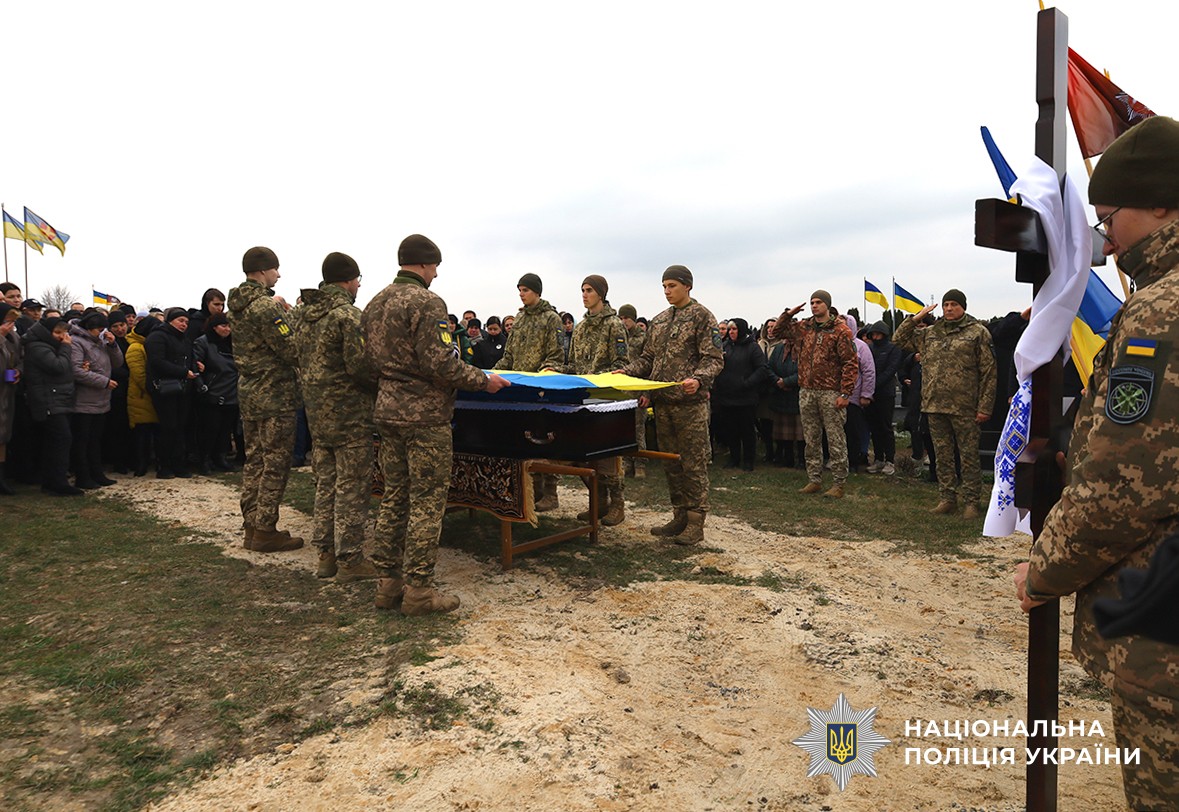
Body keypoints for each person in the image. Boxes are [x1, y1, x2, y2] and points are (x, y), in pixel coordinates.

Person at [1012, 116, 1179, 811]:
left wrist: (1043, 571)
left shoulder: (1160, 311)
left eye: (1109, 217)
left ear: (1163, 203)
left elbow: (1125, 483)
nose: (1103, 238)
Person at [361, 234, 509, 616]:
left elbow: (366, 364)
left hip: (388, 411)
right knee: (427, 501)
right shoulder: (426, 302)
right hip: (424, 417)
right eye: (435, 266)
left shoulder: (375, 303)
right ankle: (420, 591)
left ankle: (388, 584)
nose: (437, 273)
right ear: (425, 265)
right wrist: (483, 380)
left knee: (394, 496)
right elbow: (440, 362)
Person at [293, 252, 380, 582]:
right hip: (351, 415)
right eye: (358, 279)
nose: (358, 285)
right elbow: (360, 367)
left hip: (317, 414)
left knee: (325, 485)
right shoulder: (347, 315)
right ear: (347, 280)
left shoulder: (303, 315)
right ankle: (351, 559)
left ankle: (326, 556)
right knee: (352, 487)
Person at [620, 265, 723, 545]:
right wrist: (628, 371)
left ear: (687, 286)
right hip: (663, 404)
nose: (667, 291)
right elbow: (649, 360)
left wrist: (699, 380)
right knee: (671, 464)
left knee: (693, 463)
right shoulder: (659, 320)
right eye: (664, 286)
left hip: (690, 405)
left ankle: (695, 521)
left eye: (672, 285)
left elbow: (714, 358)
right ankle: (679, 515)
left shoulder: (702, 316)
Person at [894, 289, 996, 517]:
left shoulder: (977, 332)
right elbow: (898, 339)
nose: (949, 309)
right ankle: (947, 498)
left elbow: (989, 372)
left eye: (954, 304)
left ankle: (971, 502)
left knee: (968, 456)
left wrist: (985, 407)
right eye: (945, 305)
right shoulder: (930, 333)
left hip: (965, 406)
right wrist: (917, 317)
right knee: (942, 456)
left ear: (963, 307)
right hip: (935, 405)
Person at [228, 246, 303, 553]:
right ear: (261, 271)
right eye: (275, 269)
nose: (279, 274)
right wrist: (293, 315)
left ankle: (251, 525)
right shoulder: (265, 307)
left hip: (250, 393)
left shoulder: (237, 306)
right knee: (275, 462)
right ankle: (265, 530)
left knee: (255, 460)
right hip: (275, 394)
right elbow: (291, 349)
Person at [770, 290, 858, 498]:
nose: (814, 306)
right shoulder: (805, 327)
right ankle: (814, 478)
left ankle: (838, 482)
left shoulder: (840, 330)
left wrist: (845, 393)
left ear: (827, 305)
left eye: (818, 302)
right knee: (811, 438)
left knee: (835, 438)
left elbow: (850, 363)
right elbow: (778, 332)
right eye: (812, 302)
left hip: (830, 392)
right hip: (807, 390)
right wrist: (788, 314)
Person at [562, 275, 630, 525]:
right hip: (583, 398)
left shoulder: (614, 324)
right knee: (584, 455)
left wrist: (595, 379)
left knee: (609, 456)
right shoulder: (579, 328)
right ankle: (598, 502)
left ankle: (617, 505)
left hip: (606, 399)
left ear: (600, 293)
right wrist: (556, 371)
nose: (584, 294)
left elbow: (621, 364)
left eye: (589, 290)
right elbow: (573, 365)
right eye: (582, 290)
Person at [494, 273, 565, 511]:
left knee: (545, 439)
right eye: (519, 290)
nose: (521, 294)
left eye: (525, 290)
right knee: (524, 440)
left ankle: (551, 492)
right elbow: (509, 356)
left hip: (541, 390)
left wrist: (543, 375)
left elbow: (555, 355)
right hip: (519, 390)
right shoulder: (520, 319)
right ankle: (532, 490)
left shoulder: (551, 318)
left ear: (536, 291)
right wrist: (490, 373)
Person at [22, 317, 81, 495]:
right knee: (60, 440)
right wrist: (66, 348)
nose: (62, 337)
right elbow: (58, 367)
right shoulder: (37, 347)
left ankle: (51, 481)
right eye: (57, 333)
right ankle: (57, 483)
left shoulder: (50, 346)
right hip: (48, 400)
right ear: (46, 333)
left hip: (58, 398)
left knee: (56, 442)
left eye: (64, 333)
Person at [69, 311, 123, 489]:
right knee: (83, 440)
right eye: (98, 329)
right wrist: (103, 382)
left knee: (95, 439)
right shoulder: (76, 342)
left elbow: (117, 363)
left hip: (101, 399)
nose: (101, 332)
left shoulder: (100, 342)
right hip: (84, 400)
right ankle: (83, 476)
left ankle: (96, 473)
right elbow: (76, 370)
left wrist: (113, 345)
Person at [145, 307, 197, 480]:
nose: (184, 325)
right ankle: (164, 465)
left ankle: (178, 464)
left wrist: (195, 368)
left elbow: (190, 358)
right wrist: (182, 372)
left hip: (183, 389)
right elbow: (157, 361)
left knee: (180, 426)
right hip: (164, 388)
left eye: (186, 322)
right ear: (170, 320)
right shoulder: (158, 336)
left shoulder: (185, 339)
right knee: (168, 427)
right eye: (180, 321)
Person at [713, 318, 770, 471]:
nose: (731, 332)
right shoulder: (725, 347)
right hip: (727, 396)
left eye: (734, 329)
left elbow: (762, 369)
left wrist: (747, 383)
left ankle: (749, 461)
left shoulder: (752, 347)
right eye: (730, 330)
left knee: (747, 430)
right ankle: (734, 458)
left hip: (746, 398)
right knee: (731, 430)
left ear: (742, 330)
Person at [191, 313, 239, 472]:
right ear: (214, 327)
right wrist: (202, 386)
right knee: (209, 429)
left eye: (229, 326)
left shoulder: (234, 343)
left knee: (225, 430)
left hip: (232, 391)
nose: (227, 329)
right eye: (223, 326)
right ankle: (204, 459)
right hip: (212, 391)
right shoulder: (203, 342)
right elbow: (196, 366)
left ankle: (220, 457)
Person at [865, 320, 902, 475]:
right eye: (873, 334)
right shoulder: (869, 348)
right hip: (870, 395)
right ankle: (878, 458)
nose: (876, 336)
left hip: (885, 393)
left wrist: (873, 385)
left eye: (878, 334)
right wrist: (868, 389)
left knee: (886, 427)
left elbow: (890, 370)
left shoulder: (893, 349)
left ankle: (890, 460)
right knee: (874, 428)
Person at [842, 314, 875, 475]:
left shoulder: (861, 346)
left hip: (853, 396)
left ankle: (853, 462)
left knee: (852, 431)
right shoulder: (835, 343)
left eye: (844, 324)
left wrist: (866, 394)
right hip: (835, 395)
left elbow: (869, 371)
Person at [618, 304, 648, 478]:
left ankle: (640, 463)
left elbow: (649, 367)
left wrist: (646, 393)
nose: (623, 322)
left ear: (634, 319)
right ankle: (626, 462)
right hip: (621, 392)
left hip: (637, 391)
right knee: (623, 429)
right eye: (621, 318)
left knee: (638, 429)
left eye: (626, 318)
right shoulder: (619, 338)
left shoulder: (643, 339)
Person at [0, 302, 21, 494]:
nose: (11, 326)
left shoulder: (14, 337)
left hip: (6, 394)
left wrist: (17, 371)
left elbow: (20, 358)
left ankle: (2, 478)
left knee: (3, 437)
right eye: (8, 322)